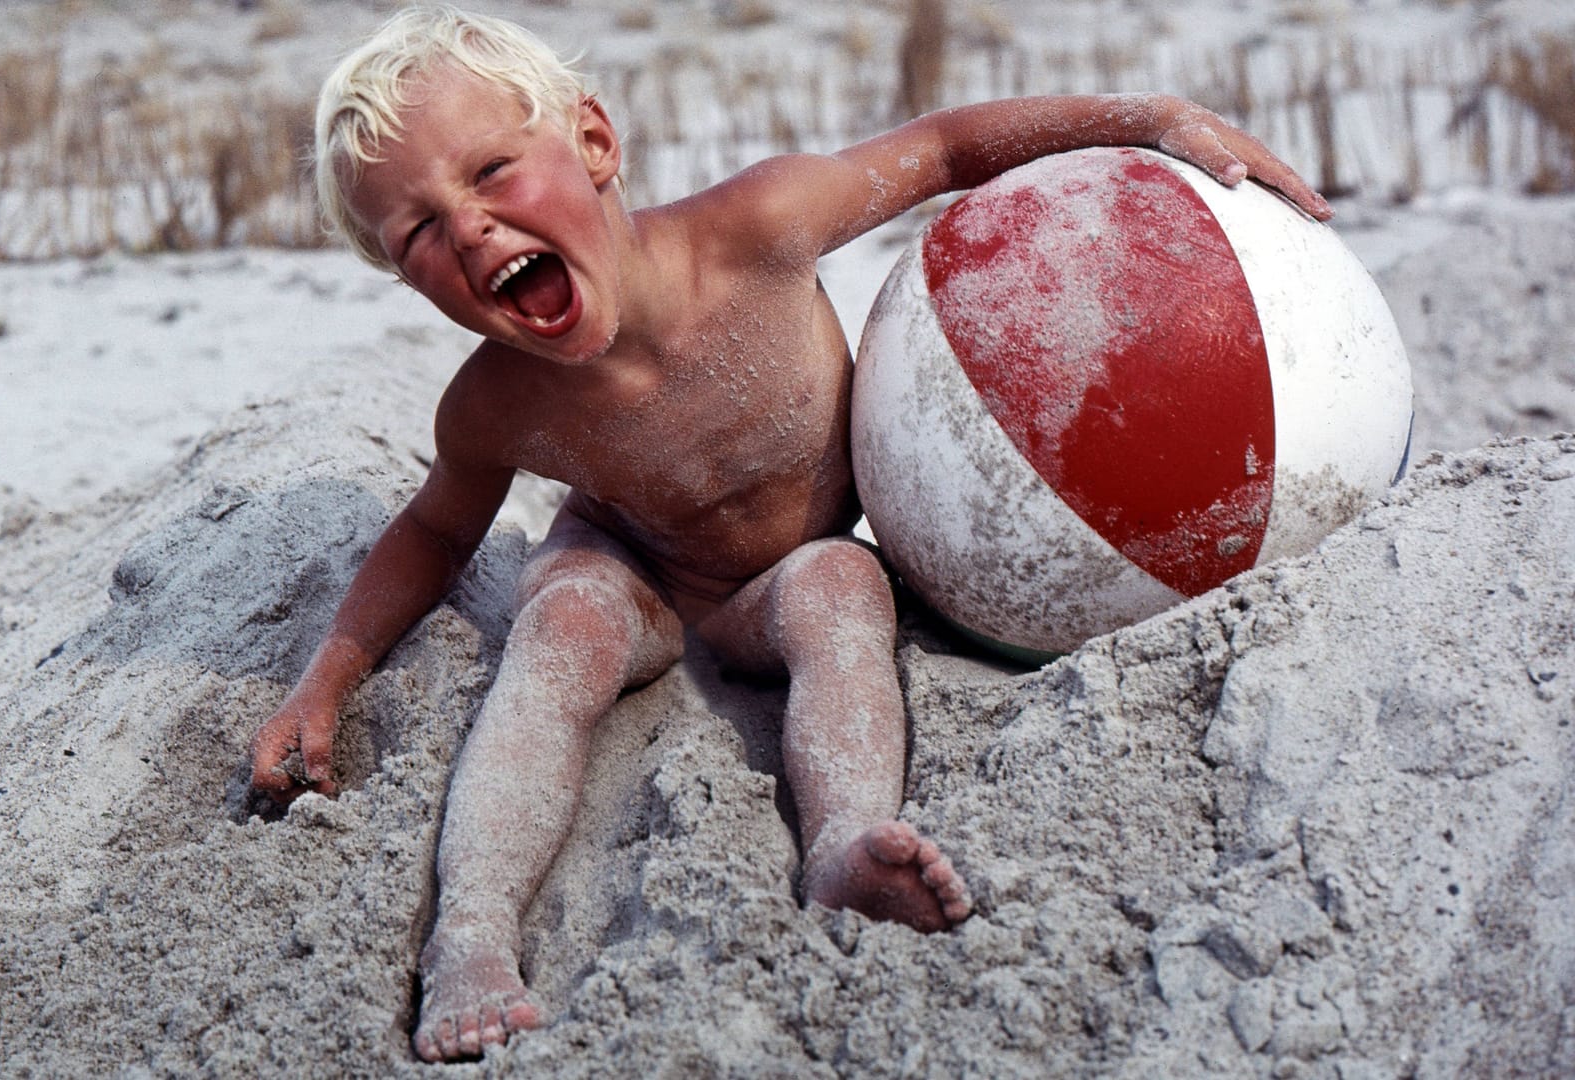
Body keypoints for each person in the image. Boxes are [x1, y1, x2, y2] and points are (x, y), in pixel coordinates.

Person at [247, 6, 1330, 1063]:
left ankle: (844, 845)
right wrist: (325, 680)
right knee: (559, 629)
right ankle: (472, 937)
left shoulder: (761, 228)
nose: (470, 226)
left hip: (771, 586)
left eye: (490, 174)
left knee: (840, 588)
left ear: (592, 141)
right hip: (640, 576)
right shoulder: (492, 407)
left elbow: (946, 147)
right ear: (404, 278)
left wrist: (1148, 117)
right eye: (421, 232)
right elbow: (437, 531)